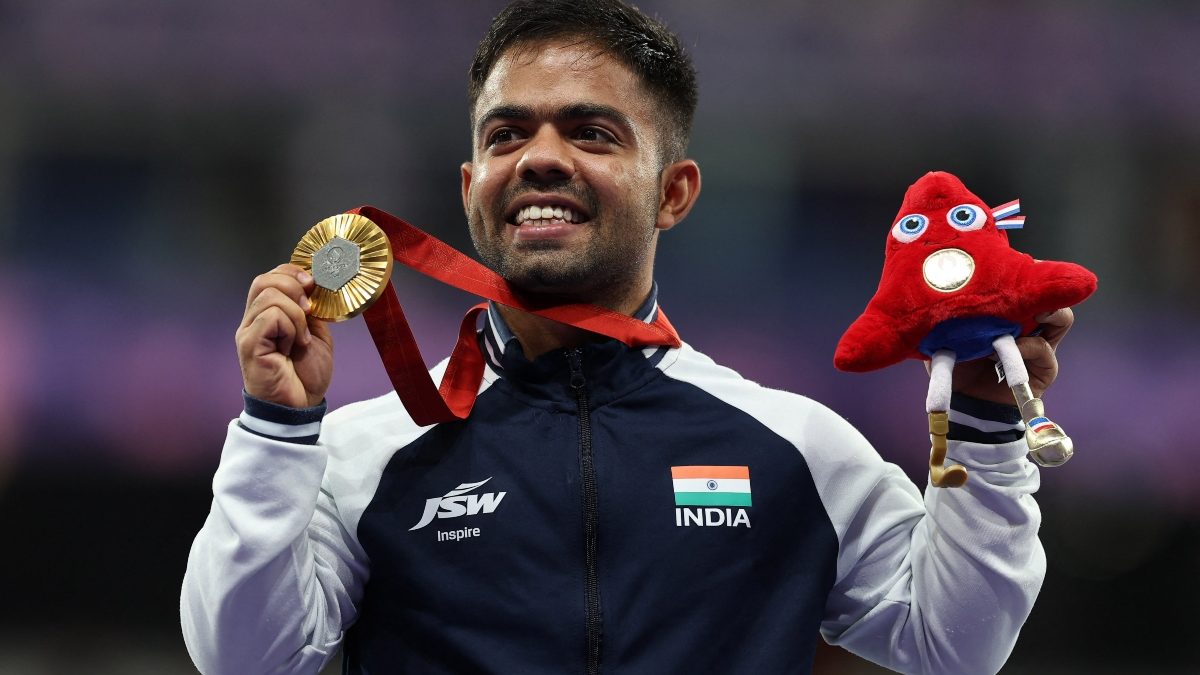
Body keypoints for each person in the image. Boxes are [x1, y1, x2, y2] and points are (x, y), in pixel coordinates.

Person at [181, 1, 1071, 673]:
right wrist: (274, 432)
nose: (539, 156)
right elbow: (243, 658)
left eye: (591, 132)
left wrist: (988, 433)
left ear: (673, 192)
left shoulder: (799, 448)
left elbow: (955, 645)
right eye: (507, 133)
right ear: (469, 187)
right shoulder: (359, 452)